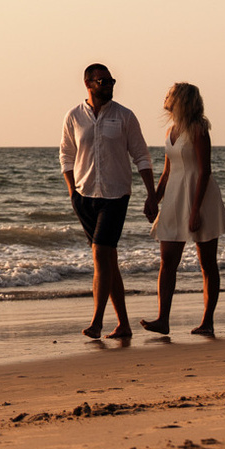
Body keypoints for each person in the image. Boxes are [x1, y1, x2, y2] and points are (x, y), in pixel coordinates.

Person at [59, 63, 159, 341]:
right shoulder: (74, 116)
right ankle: (123, 324)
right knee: (108, 261)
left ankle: (97, 321)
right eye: (102, 81)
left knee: (101, 254)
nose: (109, 85)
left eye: (111, 80)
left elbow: (141, 156)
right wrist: (72, 192)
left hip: (116, 195)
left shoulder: (125, 116)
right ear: (88, 84)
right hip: (84, 196)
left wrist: (152, 195)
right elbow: (66, 155)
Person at [142, 82, 225, 335]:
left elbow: (205, 171)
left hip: (200, 198)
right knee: (167, 260)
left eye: (169, 93)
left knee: (207, 263)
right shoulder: (171, 130)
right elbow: (167, 171)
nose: (165, 96)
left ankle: (207, 321)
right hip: (174, 197)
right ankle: (163, 319)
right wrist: (153, 199)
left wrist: (195, 211)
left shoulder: (198, 129)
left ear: (180, 99)